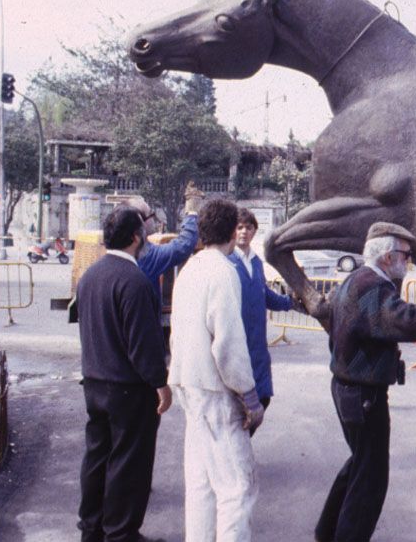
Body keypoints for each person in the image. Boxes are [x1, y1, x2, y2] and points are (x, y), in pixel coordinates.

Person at [314, 222, 416, 542]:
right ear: (386, 257)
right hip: (363, 395)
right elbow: (413, 323)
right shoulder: (374, 288)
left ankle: (326, 533)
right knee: (370, 478)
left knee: (360, 464)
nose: (408, 262)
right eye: (405, 256)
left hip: (348, 390)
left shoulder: (357, 279)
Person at [168, 198, 265, 542]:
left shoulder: (190, 268)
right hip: (216, 392)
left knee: (201, 486)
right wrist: (250, 398)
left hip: (188, 386)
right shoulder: (224, 271)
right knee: (237, 488)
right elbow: (228, 343)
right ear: (228, 230)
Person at [76, 206, 171, 542]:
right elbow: (144, 346)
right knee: (129, 462)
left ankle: (93, 527)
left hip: (95, 380)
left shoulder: (90, 275)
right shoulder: (136, 281)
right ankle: (121, 532)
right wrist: (161, 385)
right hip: (129, 388)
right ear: (136, 237)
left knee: (97, 457)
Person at [228, 208, 294, 423]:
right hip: (236, 343)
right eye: (239, 227)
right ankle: (236, 452)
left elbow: (265, 295)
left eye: (248, 227)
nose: (243, 232)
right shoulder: (227, 262)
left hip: (258, 346)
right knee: (238, 405)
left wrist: (290, 302)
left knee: (263, 398)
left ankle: (241, 446)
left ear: (255, 231)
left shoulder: (256, 262)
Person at [125, 181, 203, 320]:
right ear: (139, 221)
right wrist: (191, 213)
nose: (154, 218)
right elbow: (183, 246)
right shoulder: (145, 256)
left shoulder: (123, 250)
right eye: (151, 214)